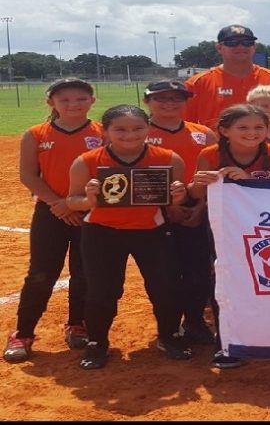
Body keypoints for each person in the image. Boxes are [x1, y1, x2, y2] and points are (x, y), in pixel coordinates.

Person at [66, 105, 191, 370]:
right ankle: (97, 342)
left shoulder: (169, 158)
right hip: (102, 232)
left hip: (151, 231)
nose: (129, 135)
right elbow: (72, 201)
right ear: (106, 130)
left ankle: (169, 336)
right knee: (102, 291)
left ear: (148, 128)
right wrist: (89, 199)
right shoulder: (87, 160)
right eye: (119, 129)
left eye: (137, 128)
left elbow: (174, 203)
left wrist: (179, 196)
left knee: (165, 287)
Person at [4, 78, 103, 363]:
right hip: (51, 212)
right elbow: (29, 175)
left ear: (92, 101)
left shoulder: (101, 132)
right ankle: (23, 332)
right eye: (65, 100)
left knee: (84, 271)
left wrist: (79, 203)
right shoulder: (36, 134)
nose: (73, 105)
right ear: (52, 103)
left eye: (81, 99)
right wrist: (59, 203)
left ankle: (77, 323)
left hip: (90, 211)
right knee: (41, 273)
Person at [188, 104, 270, 369]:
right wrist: (198, 184)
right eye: (242, 127)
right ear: (224, 130)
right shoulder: (210, 154)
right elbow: (197, 196)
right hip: (221, 228)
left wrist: (246, 181)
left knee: (268, 278)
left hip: (263, 229)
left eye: (259, 127)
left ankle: (269, 333)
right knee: (223, 278)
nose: (252, 132)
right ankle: (226, 342)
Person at [143, 80, 218, 346]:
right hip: (153, 212)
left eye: (176, 98)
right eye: (161, 98)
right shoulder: (138, 131)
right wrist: (168, 207)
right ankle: (169, 328)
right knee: (165, 274)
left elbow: (217, 174)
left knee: (199, 272)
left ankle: (195, 322)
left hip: (198, 210)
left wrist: (200, 206)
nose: (169, 103)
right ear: (147, 102)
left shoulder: (204, 133)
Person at [184, 24, 270, 130]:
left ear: (254, 47)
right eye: (232, 42)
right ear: (219, 48)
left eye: (247, 42)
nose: (241, 46)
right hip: (217, 154)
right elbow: (185, 126)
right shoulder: (197, 83)